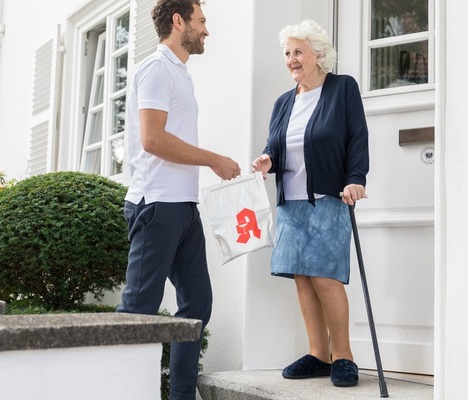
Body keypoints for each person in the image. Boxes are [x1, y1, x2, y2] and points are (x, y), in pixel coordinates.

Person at [117, 1, 240, 399]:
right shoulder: (155, 69)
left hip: (183, 207)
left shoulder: (179, 73)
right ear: (178, 21)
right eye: (201, 21)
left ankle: (182, 396)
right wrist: (213, 159)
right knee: (138, 314)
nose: (206, 30)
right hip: (156, 206)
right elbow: (153, 139)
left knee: (197, 305)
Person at [252, 19, 369, 388]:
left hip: (328, 198)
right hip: (292, 200)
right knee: (302, 276)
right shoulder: (284, 102)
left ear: (318, 54)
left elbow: (357, 137)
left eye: (298, 52)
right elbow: (276, 145)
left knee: (326, 276)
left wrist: (356, 178)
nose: (291, 60)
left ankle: (344, 355)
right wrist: (267, 159)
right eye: (287, 53)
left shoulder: (342, 89)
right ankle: (319, 354)